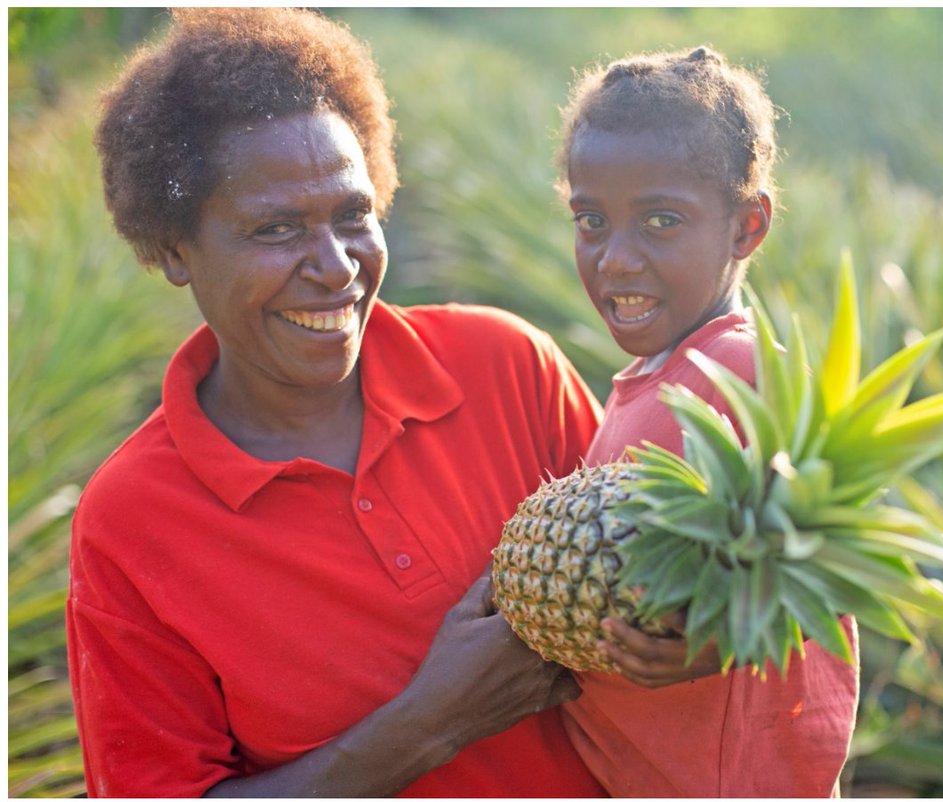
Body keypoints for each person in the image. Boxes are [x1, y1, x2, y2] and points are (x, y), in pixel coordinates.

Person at [66, 8, 607, 797]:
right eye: (276, 228)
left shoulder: (505, 365)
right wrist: (429, 723)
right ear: (176, 250)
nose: (333, 266)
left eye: (352, 215)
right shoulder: (132, 523)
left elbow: (647, 582)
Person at [554, 47, 860, 797]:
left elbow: (839, 543)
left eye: (660, 221)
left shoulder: (743, 373)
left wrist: (718, 643)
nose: (616, 259)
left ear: (746, 228)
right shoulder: (655, 375)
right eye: (591, 220)